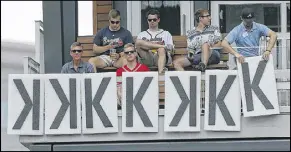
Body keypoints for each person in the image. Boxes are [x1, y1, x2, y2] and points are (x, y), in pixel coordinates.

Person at [135, 9, 174, 74]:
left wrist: (148, 45)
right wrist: (161, 46)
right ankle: (162, 46)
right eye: (150, 20)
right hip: (147, 58)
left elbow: (171, 50)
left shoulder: (166, 33)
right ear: (147, 21)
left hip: (160, 57)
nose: (152, 21)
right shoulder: (142, 34)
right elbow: (137, 50)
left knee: (161, 49)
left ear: (158, 20)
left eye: (154, 19)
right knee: (138, 42)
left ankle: (160, 73)